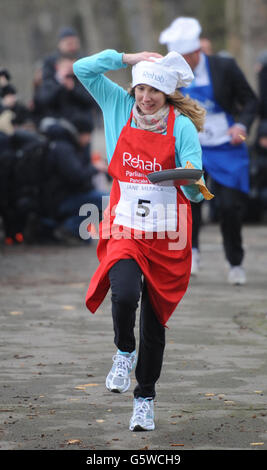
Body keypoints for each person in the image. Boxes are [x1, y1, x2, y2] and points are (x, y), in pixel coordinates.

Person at [73, 49, 212, 431]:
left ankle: (145, 398)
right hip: (124, 227)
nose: (146, 97)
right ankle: (122, 351)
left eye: (154, 90)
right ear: (133, 87)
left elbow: (196, 181)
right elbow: (81, 68)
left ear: (167, 94)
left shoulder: (180, 125)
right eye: (141, 88)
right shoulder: (118, 104)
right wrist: (126, 56)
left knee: (154, 321)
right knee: (124, 294)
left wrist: (188, 180)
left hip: (168, 235)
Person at [159, 17, 259, 284]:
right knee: (188, 202)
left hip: (226, 146)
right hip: (190, 146)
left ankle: (235, 261)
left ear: (195, 53)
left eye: (182, 58)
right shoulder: (170, 75)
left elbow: (250, 100)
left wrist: (241, 125)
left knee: (229, 207)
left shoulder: (224, 67)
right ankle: (190, 254)